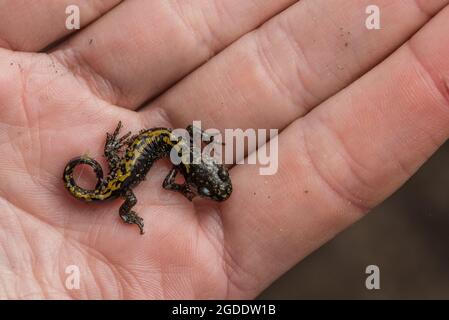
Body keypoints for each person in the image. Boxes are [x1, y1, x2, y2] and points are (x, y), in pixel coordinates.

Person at [0, 0, 448, 299]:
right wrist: (170, 194)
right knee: (125, 193)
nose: (212, 182)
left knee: (124, 186)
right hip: (126, 176)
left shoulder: (180, 160)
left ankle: (115, 170)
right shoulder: (179, 167)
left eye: (213, 182)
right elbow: (176, 175)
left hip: (127, 169)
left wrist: (167, 183)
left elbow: (178, 165)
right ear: (206, 172)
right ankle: (118, 187)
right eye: (212, 183)